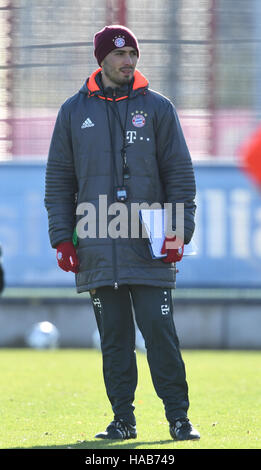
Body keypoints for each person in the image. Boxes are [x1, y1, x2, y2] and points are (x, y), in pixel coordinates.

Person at [44, 25, 200, 441]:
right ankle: (123, 421)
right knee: (114, 341)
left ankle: (179, 419)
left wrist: (179, 231)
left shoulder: (158, 108)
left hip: (150, 246)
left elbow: (180, 176)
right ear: (101, 60)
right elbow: (59, 181)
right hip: (96, 245)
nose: (128, 61)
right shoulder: (73, 112)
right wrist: (62, 238)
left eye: (133, 53)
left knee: (161, 336)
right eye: (119, 54)